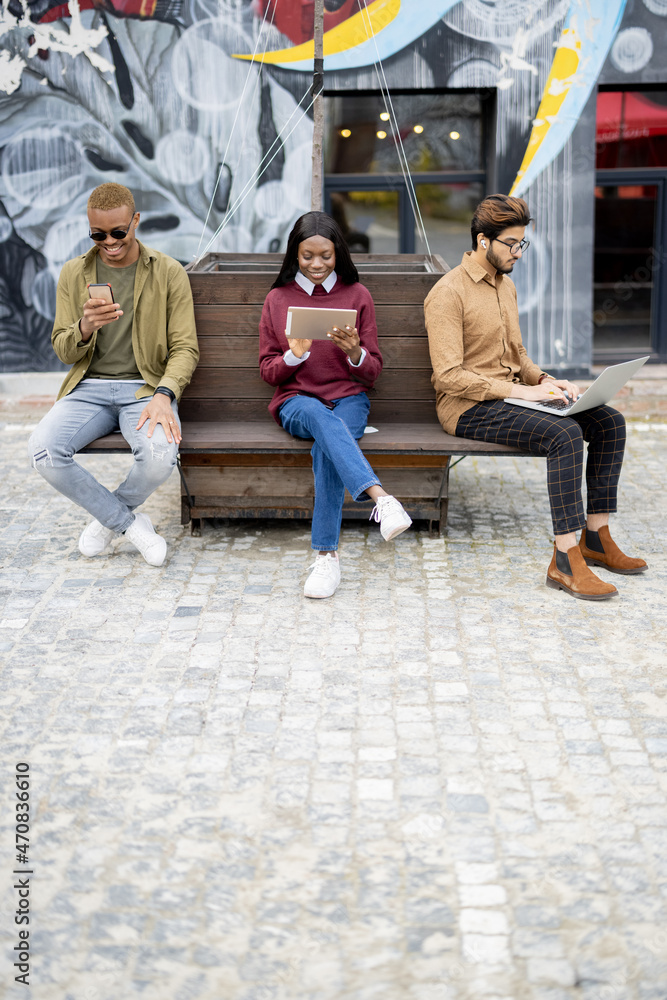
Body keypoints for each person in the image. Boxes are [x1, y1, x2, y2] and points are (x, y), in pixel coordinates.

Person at [424, 193, 647, 601]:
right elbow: (449, 376)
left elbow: (518, 355)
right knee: (562, 435)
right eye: (512, 244)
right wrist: (521, 391)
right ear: (483, 241)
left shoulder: (504, 286)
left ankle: (595, 537)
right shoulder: (447, 294)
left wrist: (548, 380)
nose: (519, 253)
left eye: (521, 243)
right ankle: (565, 560)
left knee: (609, 421)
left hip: (511, 397)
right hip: (467, 408)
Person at [29, 182, 199, 567]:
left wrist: (164, 395)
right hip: (88, 388)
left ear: (135, 221)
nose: (109, 241)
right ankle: (129, 524)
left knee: (159, 457)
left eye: (118, 232)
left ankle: (108, 522)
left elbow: (185, 348)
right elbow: (62, 347)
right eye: (98, 234)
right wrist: (85, 327)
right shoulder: (74, 273)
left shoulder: (168, 272)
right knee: (43, 450)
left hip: (144, 389)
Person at [259, 211, 412, 599]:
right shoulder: (278, 299)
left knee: (327, 442)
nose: (316, 264)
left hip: (348, 398)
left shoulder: (356, 295)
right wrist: (294, 357)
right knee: (316, 416)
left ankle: (326, 557)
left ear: (337, 253)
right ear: (295, 255)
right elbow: (269, 371)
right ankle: (382, 499)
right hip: (296, 401)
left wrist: (355, 352)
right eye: (307, 256)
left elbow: (372, 373)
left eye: (324, 255)